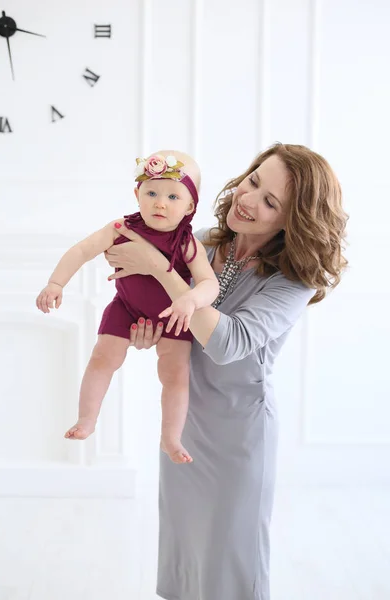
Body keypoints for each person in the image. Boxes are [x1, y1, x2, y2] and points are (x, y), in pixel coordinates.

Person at [104, 143, 348, 600]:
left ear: (293, 220)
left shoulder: (293, 279)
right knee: (184, 559)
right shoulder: (205, 243)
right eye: (253, 181)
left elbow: (227, 341)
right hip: (183, 427)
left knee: (230, 568)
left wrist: (158, 268)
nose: (248, 199)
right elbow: (172, 317)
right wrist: (146, 328)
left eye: (271, 201)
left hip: (238, 439)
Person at [35, 151, 219, 464]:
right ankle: (87, 418)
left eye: (173, 196)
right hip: (127, 308)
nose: (160, 203)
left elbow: (209, 284)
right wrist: (56, 283)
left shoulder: (187, 243)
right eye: (151, 193)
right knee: (102, 358)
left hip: (173, 315)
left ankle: (171, 436)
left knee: (175, 375)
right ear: (137, 195)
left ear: (190, 206)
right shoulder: (120, 228)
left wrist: (191, 298)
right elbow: (82, 251)